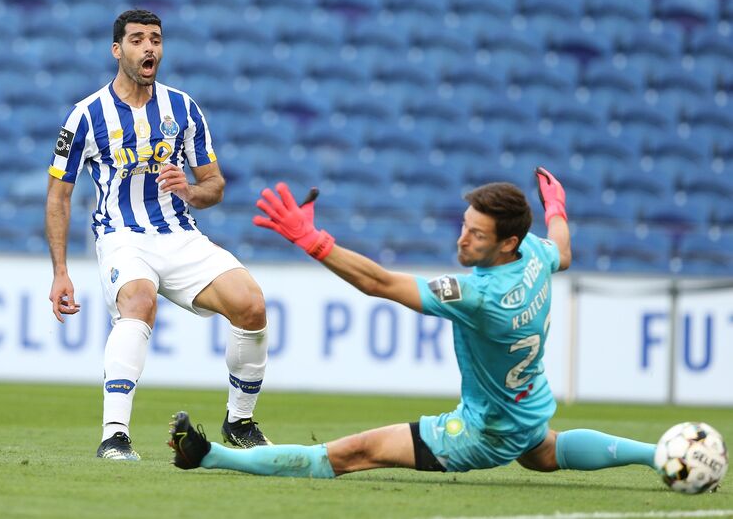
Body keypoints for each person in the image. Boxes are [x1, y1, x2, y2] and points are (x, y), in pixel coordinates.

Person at [169, 169, 659, 481]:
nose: (463, 239)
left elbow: (380, 283)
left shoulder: (480, 297)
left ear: (507, 242)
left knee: (352, 454)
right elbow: (564, 250)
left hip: (480, 432)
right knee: (542, 451)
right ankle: (658, 454)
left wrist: (313, 241)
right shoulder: (534, 254)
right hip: (526, 408)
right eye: (465, 225)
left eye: (477, 234)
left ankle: (211, 455)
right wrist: (556, 208)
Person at [45, 9, 271, 461]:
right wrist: (61, 272)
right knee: (139, 303)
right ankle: (115, 435)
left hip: (178, 235)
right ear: (117, 50)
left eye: (156, 39)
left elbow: (215, 186)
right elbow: (58, 196)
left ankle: (239, 421)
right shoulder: (87, 115)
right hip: (121, 236)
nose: (149, 48)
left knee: (251, 305)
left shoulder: (183, 108)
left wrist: (188, 189)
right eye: (137, 40)